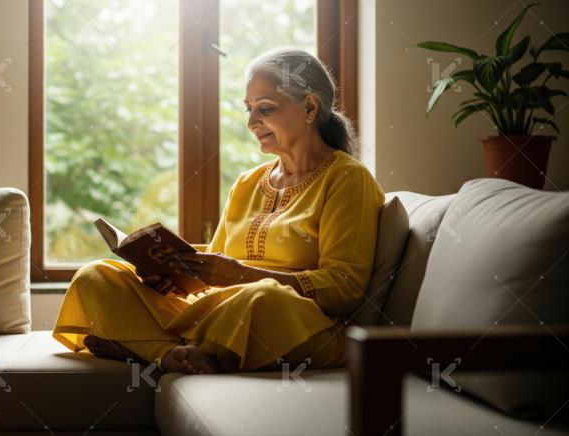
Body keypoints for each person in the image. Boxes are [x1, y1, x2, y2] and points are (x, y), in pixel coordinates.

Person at [51, 47, 385, 374]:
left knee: (263, 298)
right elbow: (212, 273)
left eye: (265, 109)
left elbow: (344, 290)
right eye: (248, 109)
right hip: (220, 311)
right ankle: (172, 354)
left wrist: (243, 276)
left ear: (309, 107)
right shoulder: (247, 182)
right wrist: (168, 277)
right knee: (97, 275)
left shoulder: (347, 178)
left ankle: (140, 346)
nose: (252, 122)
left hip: (292, 323)